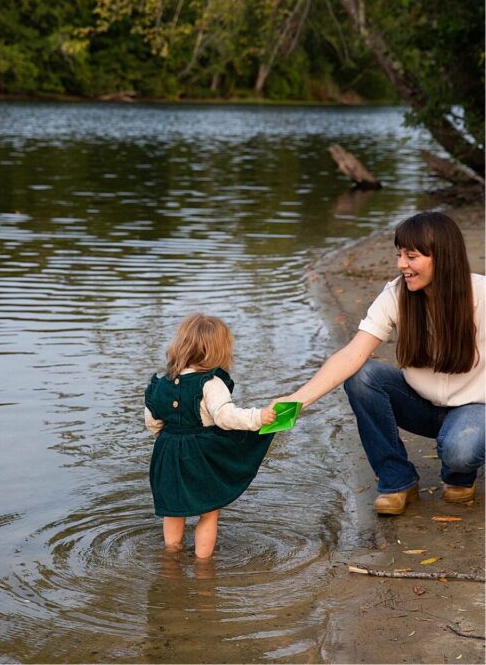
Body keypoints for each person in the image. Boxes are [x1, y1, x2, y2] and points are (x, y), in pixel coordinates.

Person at [269, 211, 484, 515]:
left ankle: (460, 473)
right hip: (420, 403)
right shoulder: (397, 294)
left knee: (461, 450)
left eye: (411, 256)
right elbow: (352, 354)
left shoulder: (482, 296)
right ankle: (397, 481)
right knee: (363, 377)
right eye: (399, 255)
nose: (401, 265)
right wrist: (296, 401)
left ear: (443, 256)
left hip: (475, 409)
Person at [145, 313, 277, 558]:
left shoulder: (160, 384)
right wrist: (259, 417)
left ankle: (171, 559)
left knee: (173, 510)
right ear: (218, 350)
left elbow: (152, 423)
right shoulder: (211, 383)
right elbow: (225, 417)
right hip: (201, 457)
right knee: (208, 512)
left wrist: (171, 440)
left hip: (167, 454)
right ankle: (203, 566)